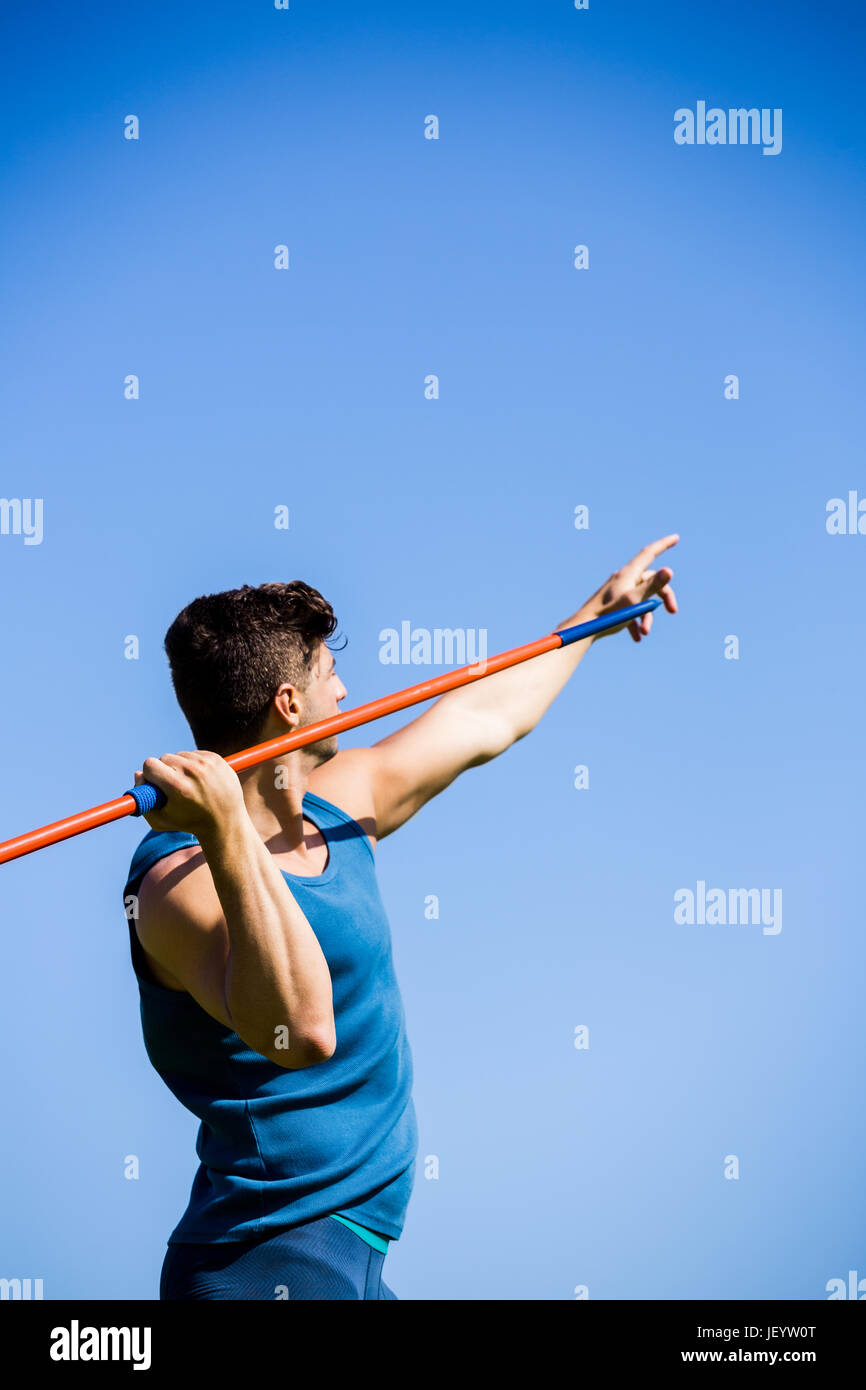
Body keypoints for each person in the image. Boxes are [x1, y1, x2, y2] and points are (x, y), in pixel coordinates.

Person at [123, 534, 679, 1299]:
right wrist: (223, 830)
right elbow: (305, 1026)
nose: (347, 692)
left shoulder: (340, 807)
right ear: (290, 705)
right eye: (329, 671)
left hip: (358, 1258)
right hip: (265, 1263)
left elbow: (486, 718)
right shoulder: (175, 885)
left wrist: (595, 615)